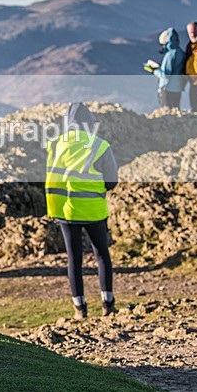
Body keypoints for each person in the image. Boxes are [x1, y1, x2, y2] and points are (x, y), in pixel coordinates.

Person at [46, 103, 119, 320]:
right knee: (102, 255)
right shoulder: (100, 145)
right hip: (94, 209)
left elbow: (52, 176)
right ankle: (108, 304)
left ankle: (79, 308)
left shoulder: (56, 144)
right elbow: (112, 181)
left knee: (74, 259)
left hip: (66, 210)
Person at [144, 27, 186, 109]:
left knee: (167, 111)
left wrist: (154, 70)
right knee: (175, 109)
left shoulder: (170, 54)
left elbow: (165, 75)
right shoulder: (180, 52)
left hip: (167, 88)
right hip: (177, 88)